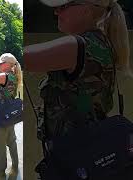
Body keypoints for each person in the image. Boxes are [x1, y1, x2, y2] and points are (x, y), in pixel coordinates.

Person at [24, 0, 131, 178]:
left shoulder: (75, 46)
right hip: (90, 153)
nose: (56, 12)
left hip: (74, 158)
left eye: (63, 7)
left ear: (86, 10)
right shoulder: (101, 42)